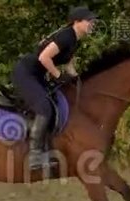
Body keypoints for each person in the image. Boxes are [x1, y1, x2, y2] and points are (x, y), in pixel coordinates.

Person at [12, 6, 98, 170]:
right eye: (89, 21)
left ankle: (47, 149)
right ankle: (35, 156)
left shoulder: (75, 39)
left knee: (56, 103)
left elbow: (69, 64)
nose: (92, 24)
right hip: (26, 73)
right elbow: (44, 57)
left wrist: (76, 79)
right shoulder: (66, 36)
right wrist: (58, 75)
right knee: (44, 108)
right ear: (77, 22)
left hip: (37, 75)